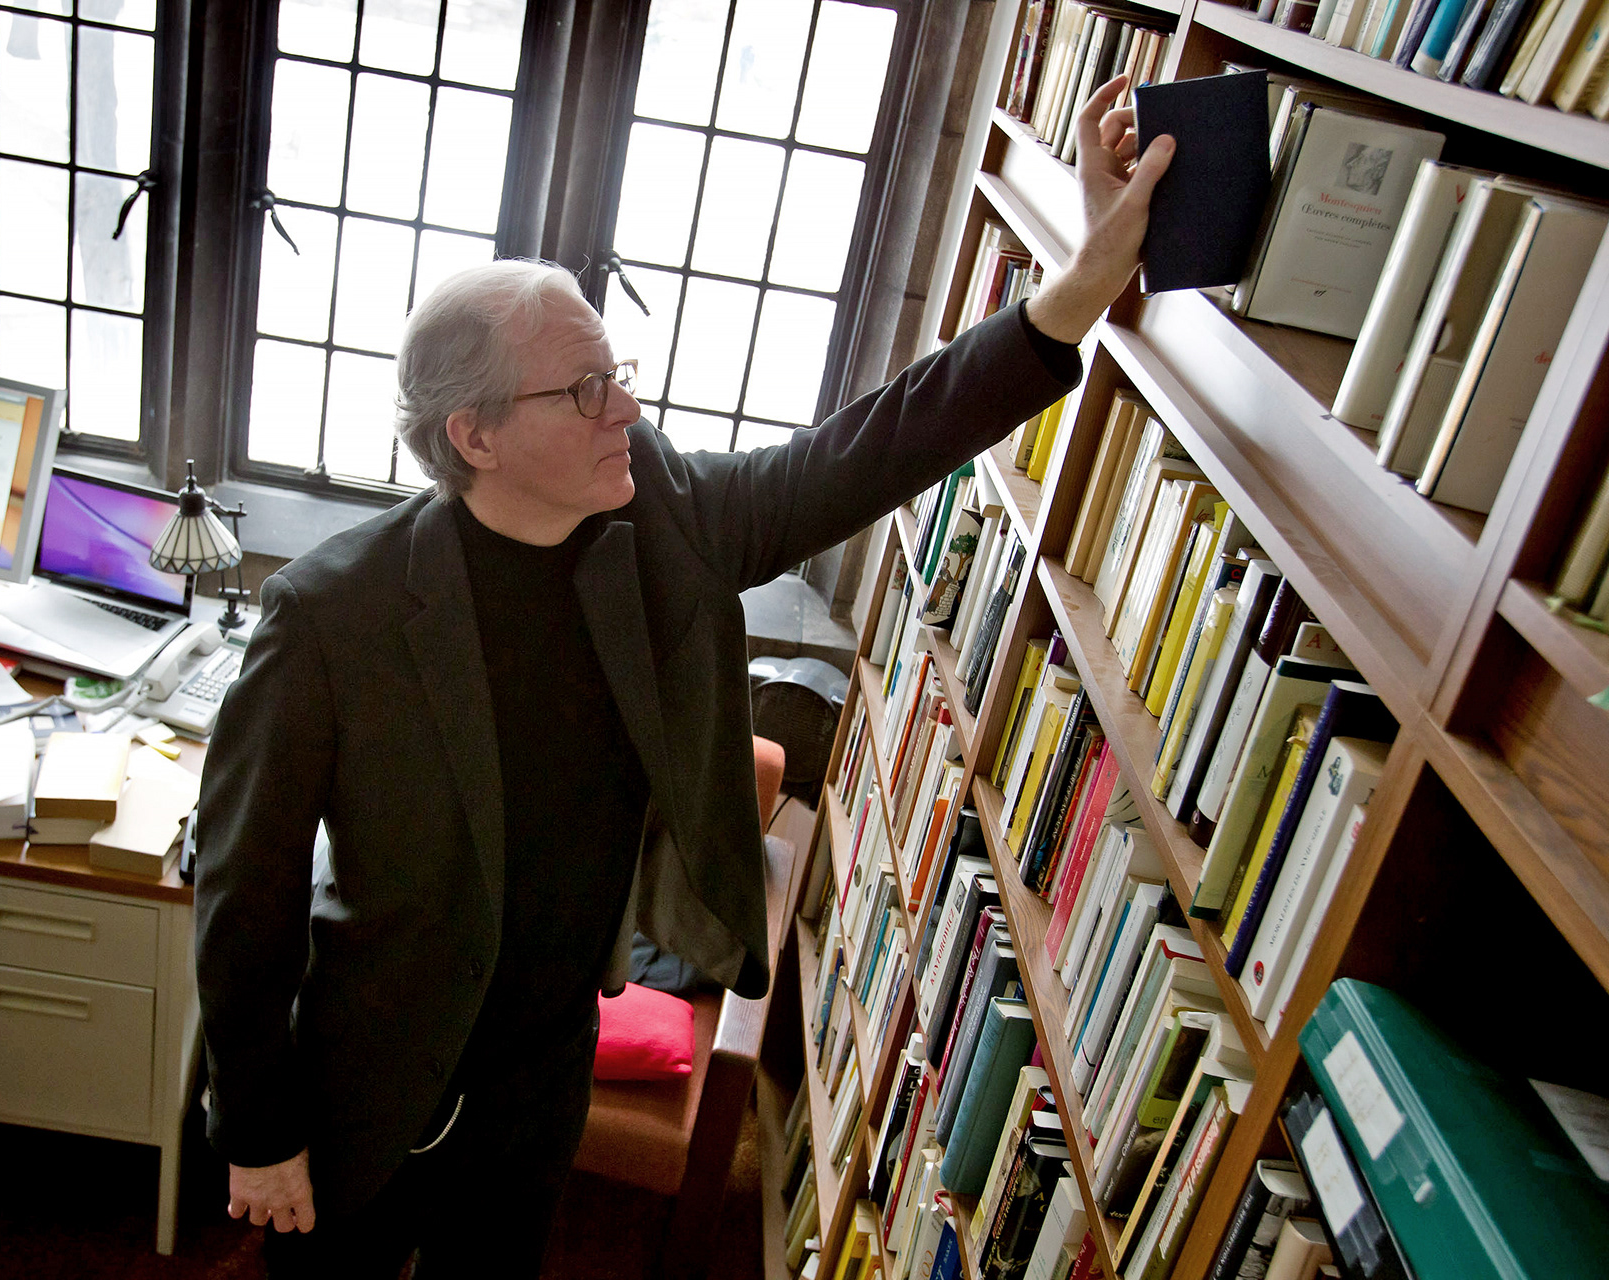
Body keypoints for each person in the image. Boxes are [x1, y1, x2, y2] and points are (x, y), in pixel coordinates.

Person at [194, 75, 1173, 1278]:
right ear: (475, 435)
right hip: (367, 1069)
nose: (628, 405)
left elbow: (864, 450)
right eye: (584, 389)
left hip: (539, 1077)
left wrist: (1075, 291)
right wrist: (258, 1129)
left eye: (618, 369)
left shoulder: (666, 512)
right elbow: (246, 889)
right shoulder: (328, 614)